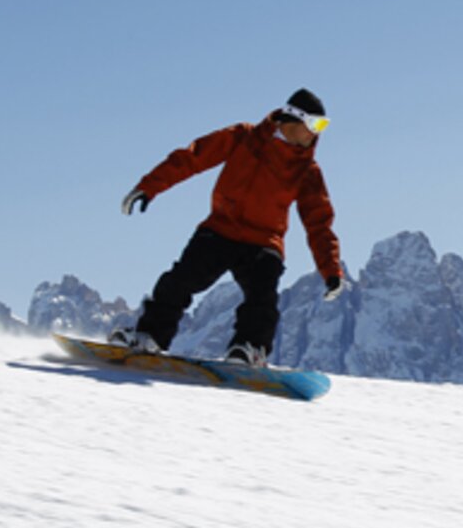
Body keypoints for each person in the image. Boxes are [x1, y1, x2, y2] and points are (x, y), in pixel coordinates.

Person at [111, 88, 347, 366]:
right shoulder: (244, 138)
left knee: (262, 297)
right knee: (180, 281)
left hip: (264, 242)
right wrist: (148, 188)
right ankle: (148, 336)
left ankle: (249, 349)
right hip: (220, 229)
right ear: (292, 119)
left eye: (323, 126)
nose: (317, 133)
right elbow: (192, 157)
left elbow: (318, 222)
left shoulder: (307, 170)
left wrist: (331, 270)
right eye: (315, 124)